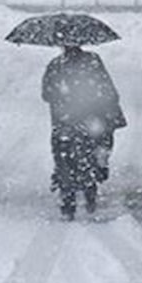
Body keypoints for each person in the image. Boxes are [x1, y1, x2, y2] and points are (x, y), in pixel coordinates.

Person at [42, 44, 126, 220]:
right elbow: (107, 89)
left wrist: (63, 98)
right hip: (91, 119)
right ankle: (90, 191)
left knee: (64, 158)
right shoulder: (93, 61)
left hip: (65, 121)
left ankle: (67, 199)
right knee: (90, 154)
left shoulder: (55, 65)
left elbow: (46, 94)